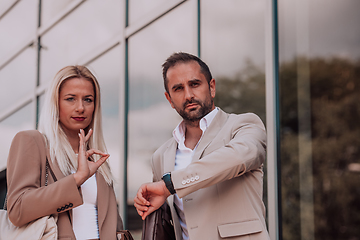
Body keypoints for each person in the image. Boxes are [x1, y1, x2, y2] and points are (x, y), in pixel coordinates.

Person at [134, 52, 270, 240]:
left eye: (194, 84)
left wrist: (170, 184)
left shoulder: (244, 125)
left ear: (212, 87)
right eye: (178, 88)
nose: (188, 95)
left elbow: (239, 156)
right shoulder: (161, 156)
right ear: (169, 99)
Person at [6, 66, 123, 240]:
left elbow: (112, 225)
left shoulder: (98, 161)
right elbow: (18, 209)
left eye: (88, 100)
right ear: (56, 102)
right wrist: (77, 179)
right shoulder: (33, 142)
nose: (80, 108)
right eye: (70, 99)